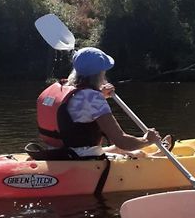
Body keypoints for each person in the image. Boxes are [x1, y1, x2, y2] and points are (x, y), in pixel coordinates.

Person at [36, 47, 169, 159]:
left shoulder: (63, 87)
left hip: (56, 152)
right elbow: (122, 141)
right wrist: (147, 140)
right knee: (136, 152)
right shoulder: (93, 98)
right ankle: (155, 157)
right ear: (100, 73)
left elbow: (78, 108)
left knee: (116, 149)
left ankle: (156, 154)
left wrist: (100, 94)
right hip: (82, 158)